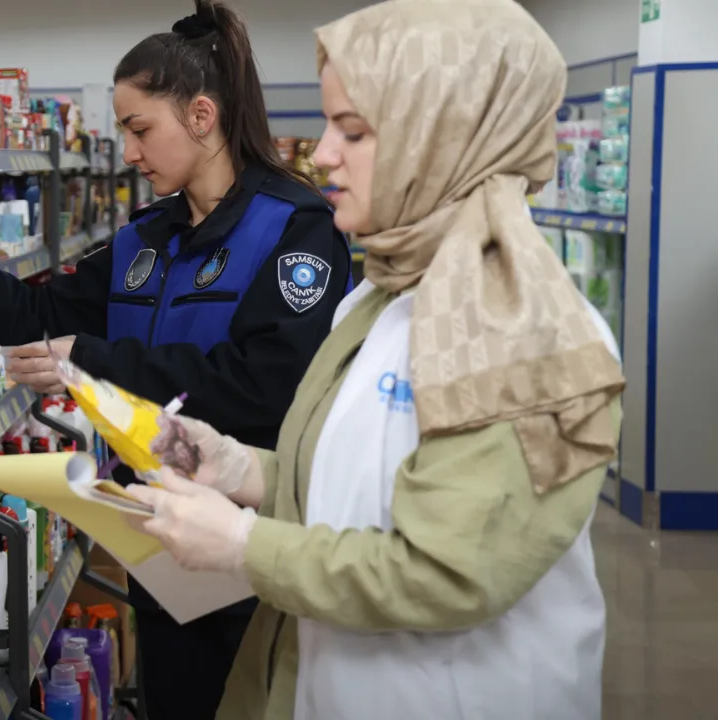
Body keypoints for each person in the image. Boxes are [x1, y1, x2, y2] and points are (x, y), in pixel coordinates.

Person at [125, 1, 627, 718]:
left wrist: (242, 547)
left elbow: (446, 571)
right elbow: (357, 483)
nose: (323, 154)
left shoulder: (528, 334)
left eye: (353, 131)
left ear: (444, 138)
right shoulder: (383, 300)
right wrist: (239, 468)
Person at [0, 1, 352, 714]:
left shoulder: (296, 230)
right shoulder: (145, 240)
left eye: (138, 129)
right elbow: (28, 314)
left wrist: (90, 359)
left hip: (256, 549)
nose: (127, 152)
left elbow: (265, 391)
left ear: (200, 116)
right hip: (159, 543)